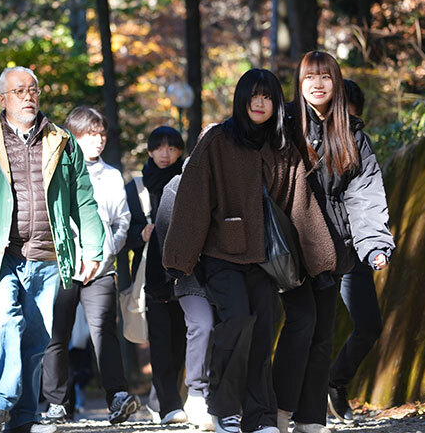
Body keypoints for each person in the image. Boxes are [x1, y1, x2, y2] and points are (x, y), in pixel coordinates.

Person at [162, 68, 337, 433]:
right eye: (254, 96)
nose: (260, 103)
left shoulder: (283, 147)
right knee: (237, 321)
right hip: (220, 255)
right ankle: (223, 407)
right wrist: (179, 258)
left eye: (268, 97)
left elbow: (301, 206)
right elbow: (193, 199)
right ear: (241, 99)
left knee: (263, 331)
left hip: (263, 259)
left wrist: (321, 262)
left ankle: (260, 418)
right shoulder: (217, 141)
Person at [0, 66, 105, 433]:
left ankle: (22, 418)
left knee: (36, 340)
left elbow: (83, 199)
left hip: (47, 255)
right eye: (19, 91)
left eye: (33, 90)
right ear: (2, 99)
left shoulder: (62, 142)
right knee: (0, 322)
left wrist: (93, 249)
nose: (28, 97)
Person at [273, 52, 395, 433]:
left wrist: (374, 244)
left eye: (326, 77)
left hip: (333, 249)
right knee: (300, 324)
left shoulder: (351, 134)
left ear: (336, 83)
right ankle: (278, 411)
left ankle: (311, 418)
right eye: (310, 77)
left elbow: (364, 194)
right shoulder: (283, 123)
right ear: (300, 82)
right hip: (290, 245)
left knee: (322, 334)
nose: (318, 84)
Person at [41, 105, 140, 425]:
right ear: (72, 135)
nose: (98, 140)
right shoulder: (54, 169)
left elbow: (122, 221)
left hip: (102, 268)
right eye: (90, 134)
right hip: (62, 266)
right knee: (56, 335)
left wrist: (106, 251)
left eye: (102, 134)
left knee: (104, 333)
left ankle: (117, 397)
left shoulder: (112, 175)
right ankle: (57, 403)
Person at [324, 79, 384, 423]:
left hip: (354, 247)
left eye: (352, 117)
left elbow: (367, 195)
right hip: (316, 249)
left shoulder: (360, 144)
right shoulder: (306, 141)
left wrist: (374, 242)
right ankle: (300, 402)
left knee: (369, 325)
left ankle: (336, 382)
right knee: (311, 328)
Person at [154, 124, 219, 431]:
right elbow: (163, 231)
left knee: (236, 328)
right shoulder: (178, 184)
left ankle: (225, 398)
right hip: (190, 277)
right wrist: (175, 271)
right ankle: (195, 394)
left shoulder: (236, 180)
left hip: (228, 274)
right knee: (201, 326)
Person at [124, 126, 188, 426]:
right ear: (150, 151)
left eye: (172, 148)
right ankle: (169, 404)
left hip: (186, 273)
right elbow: (123, 229)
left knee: (182, 340)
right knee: (160, 339)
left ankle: (169, 398)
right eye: (160, 148)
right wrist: (141, 233)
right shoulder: (136, 187)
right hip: (151, 274)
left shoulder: (189, 180)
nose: (166, 154)